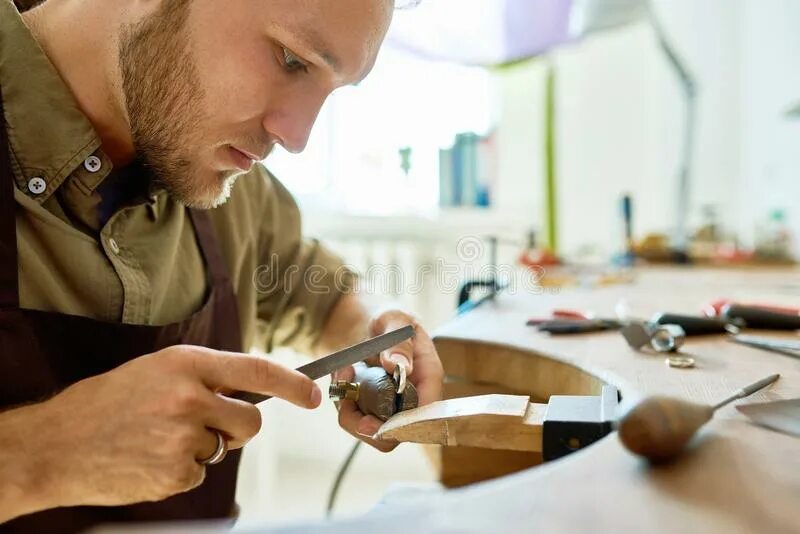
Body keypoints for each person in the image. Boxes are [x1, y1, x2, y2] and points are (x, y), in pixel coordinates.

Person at [0, 0, 443, 530]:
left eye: (332, 90)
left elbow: (321, 293)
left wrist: (376, 335)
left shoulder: (227, 182)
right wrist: (39, 457)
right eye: (291, 59)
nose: (296, 136)